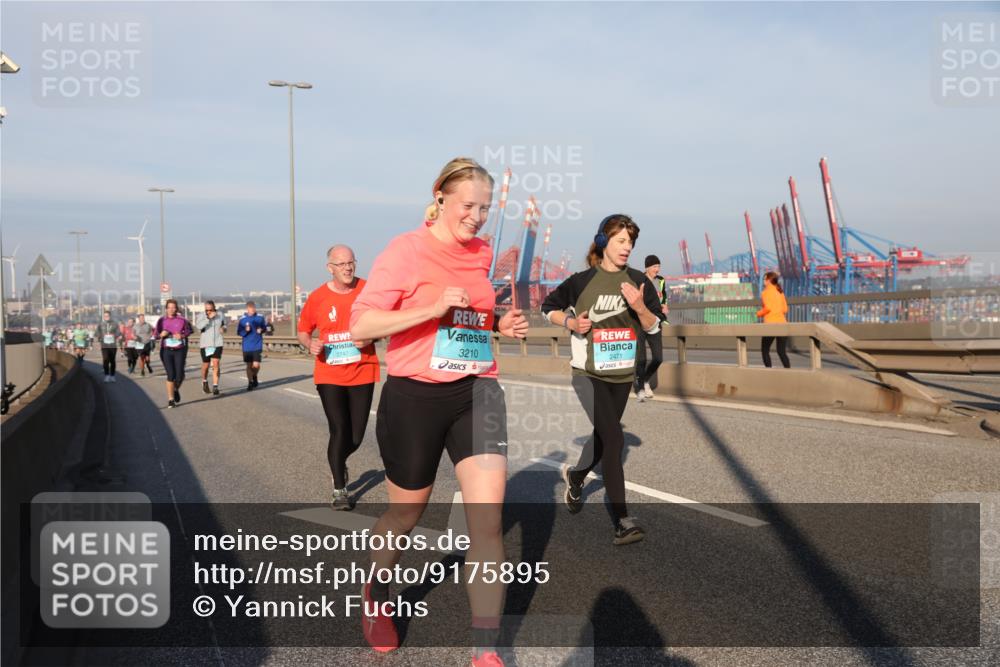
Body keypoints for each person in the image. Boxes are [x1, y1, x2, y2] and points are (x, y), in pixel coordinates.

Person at [350, 157, 528, 663]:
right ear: (441, 196)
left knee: (488, 522)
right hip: (415, 395)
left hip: (477, 390)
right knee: (407, 513)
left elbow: (470, 314)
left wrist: (498, 325)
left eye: (485, 208)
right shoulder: (405, 250)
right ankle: (375, 594)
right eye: (469, 205)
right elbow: (362, 327)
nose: (477, 216)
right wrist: (428, 308)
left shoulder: (483, 252)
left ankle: (486, 651)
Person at [541, 213, 663, 546]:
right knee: (614, 439)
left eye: (631, 242)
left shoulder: (639, 281)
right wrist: (569, 323)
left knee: (603, 435)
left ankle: (577, 475)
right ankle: (623, 520)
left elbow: (654, 327)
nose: (627, 247)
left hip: (622, 375)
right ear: (603, 241)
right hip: (587, 374)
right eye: (621, 240)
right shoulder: (581, 281)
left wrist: (639, 307)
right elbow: (546, 307)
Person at [298, 245, 379, 510]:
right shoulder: (318, 297)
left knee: (355, 437)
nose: (347, 267)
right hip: (329, 373)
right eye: (341, 263)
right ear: (329, 267)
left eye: (351, 262)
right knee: (339, 429)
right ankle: (339, 489)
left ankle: (338, 462)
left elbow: (383, 320)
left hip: (363, 369)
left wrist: (372, 335)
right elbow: (303, 330)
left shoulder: (367, 289)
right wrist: (309, 344)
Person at [632, 254, 669, 401]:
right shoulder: (640, 280)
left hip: (656, 322)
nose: (657, 269)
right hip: (640, 322)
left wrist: (664, 306)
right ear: (647, 267)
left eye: (658, 266)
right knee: (641, 358)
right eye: (654, 266)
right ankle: (640, 387)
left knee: (658, 358)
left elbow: (664, 297)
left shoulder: (661, 281)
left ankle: (646, 380)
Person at [154, 299, 193, 408]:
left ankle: (175, 389)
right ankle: (171, 400)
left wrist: (182, 335)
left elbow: (190, 330)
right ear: (166, 309)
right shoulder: (161, 320)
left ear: (176, 308)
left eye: (173, 307)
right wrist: (161, 335)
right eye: (169, 307)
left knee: (180, 375)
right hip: (166, 350)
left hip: (179, 350)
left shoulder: (182, 320)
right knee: (171, 375)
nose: (171, 309)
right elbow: (155, 335)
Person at [757, 271, 790, 368]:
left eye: (764, 279)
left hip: (770, 325)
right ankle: (789, 372)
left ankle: (769, 371)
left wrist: (757, 314)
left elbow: (768, 308)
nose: (763, 281)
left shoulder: (765, 292)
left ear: (769, 280)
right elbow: (785, 309)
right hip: (782, 324)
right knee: (781, 352)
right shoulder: (780, 291)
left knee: (765, 350)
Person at [195, 301, 226, 396]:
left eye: (210, 310)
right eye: (206, 310)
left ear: (214, 308)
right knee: (206, 365)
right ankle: (204, 381)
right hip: (206, 344)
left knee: (216, 363)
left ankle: (215, 386)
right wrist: (208, 318)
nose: (208, 311)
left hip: (217, 343)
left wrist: (224, 329)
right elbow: (198, 327)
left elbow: (224, 325)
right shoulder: (201, 316)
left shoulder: (220, 314)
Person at [238, 301, 267, 391]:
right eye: (251, 308)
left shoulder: (260, 318)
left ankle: (254, 375)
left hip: (257, 345)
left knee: (256, 365)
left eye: (254, 308)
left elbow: (265, 328)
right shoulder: (242, 319)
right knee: (249, 365)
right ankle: (250, 382)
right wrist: (246, 331)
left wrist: (261, 330)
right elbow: (239, 332)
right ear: (247, 309)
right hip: (247, 346)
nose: (253, 310)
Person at [96, 311, 122, 383]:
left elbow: (118, 332)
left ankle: (112, 375)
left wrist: (114, 335)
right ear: (103, 316)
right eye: (105, 316)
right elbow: (97, 332)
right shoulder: (100, 324)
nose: (106, 317)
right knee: (105, 360)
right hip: (104, 345)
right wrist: (100, 337)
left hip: (112, 345)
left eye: (107, 316)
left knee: (112, 360)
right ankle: (107, 375)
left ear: (110, 316)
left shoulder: (115, 324)